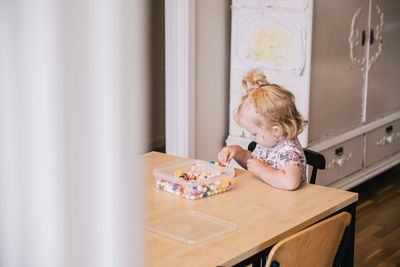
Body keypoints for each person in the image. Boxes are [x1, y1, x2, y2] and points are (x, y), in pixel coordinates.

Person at [218, 69, 307, 190]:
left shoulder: (289, 151)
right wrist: (238, 153)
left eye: (254, 133)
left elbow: (290, 183)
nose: (251, 137)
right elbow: (254, 163)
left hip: (287, 205)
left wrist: (262, 170)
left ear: (276, 131)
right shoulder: (268, 141)